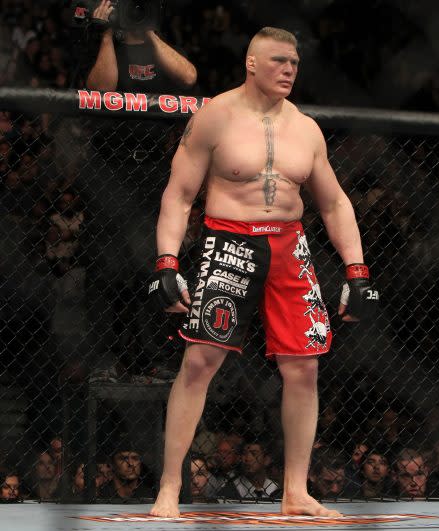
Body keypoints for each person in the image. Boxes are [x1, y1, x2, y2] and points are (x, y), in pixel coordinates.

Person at [148, 26, 378, 518]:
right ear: (251, 64)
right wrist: (167, 261)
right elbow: (179, 194)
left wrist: (357, 271)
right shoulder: (215, 118)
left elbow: (335, 202)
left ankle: (295, 491)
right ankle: (170, 486)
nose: (289, 71)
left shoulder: (306, 128)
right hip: (229, 239)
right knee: (200, 362)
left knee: (304, 368)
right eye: (278, 61)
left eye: (294, 63)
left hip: (290, 246)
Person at [85, 0, 196, 93]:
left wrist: (149, 28)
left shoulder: (170, 52)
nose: (135, 12)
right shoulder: (105, 53)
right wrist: (106, 34)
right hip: (120, 119)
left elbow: (188, 78)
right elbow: (102, 90)